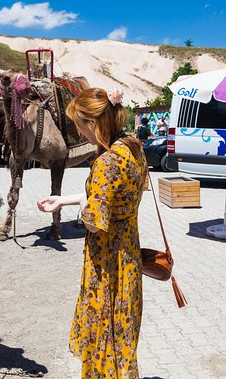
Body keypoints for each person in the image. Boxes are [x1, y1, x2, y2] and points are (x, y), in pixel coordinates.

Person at [37, 87, 147, 378]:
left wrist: (82, 209)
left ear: (92, 124)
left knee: (103, 332)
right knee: (121, 334)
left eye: (78, 125)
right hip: (128, 256)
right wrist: (63, 199)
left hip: (107, 260)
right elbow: (110, 196)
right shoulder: (132, 148)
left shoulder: (106, 162)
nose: (79, 133)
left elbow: (95, 221)